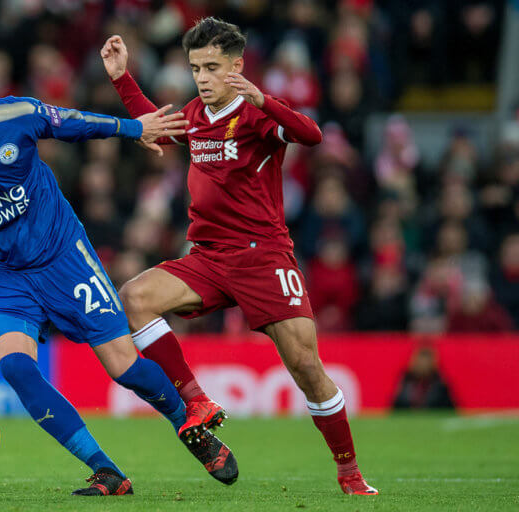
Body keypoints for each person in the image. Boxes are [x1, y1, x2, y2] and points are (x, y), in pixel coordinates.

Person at [0, 59, 238, 496]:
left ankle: (190, 427)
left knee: (124, 367)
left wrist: (133, 128)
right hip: (0, 277)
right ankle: (107, 471)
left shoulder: (16, 117)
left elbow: (71, 122)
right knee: (16, 367)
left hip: (63, 256)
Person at [101, 18, 377, 495]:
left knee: (307, 368)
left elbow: (312, 135)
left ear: (237, 66)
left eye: (212, 67)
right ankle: (196, 401)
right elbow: (159, 127)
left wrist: (263, 100)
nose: (203, 78)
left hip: (263, 258)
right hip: (208, 258)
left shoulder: (256, 116)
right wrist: (123, 79)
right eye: (195, 68)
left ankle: (349, 472)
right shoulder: (194, 114)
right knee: (135, 296)